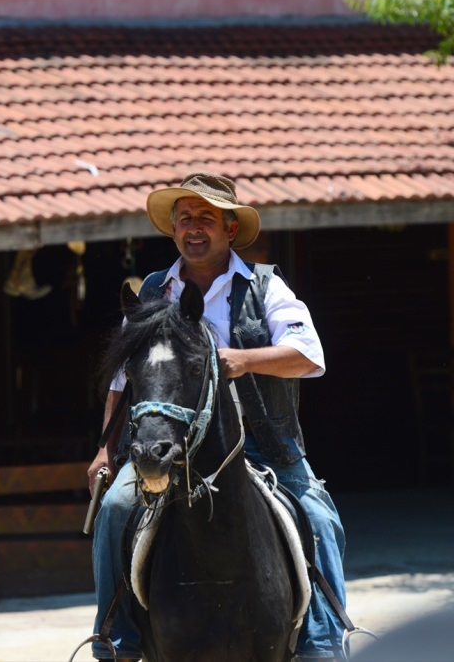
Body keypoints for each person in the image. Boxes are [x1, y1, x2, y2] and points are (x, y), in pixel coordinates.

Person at [87, 173, 347, 661]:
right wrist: (106, 448)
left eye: (206, 218)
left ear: (231, 230)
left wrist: (243, 360)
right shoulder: (150, 294)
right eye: (184, 218)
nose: (193, 228)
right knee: (116, 509)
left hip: (262, 446)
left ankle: (323, 640)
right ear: (174, 230)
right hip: (167, 445)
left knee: (318, 515)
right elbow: (122, 381)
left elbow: (309, 356)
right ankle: (116, 638)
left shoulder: (266, 287)